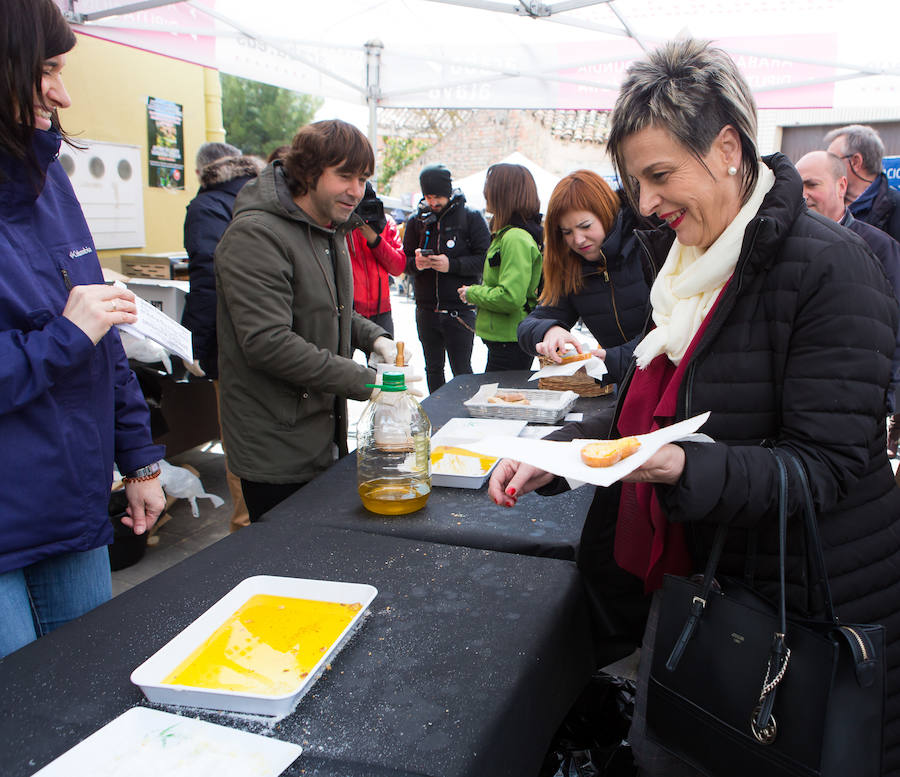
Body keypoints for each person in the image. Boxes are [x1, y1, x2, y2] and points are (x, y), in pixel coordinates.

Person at [489, 39, 900, 775]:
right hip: (704, 594)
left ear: (727, 149)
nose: (644, 204)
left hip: (800, 614)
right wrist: (570, 454)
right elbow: (657, 401)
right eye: (635, 181)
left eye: (658, 176)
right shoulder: (688, 267)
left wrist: (681, 467)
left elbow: (826, 470)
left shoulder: (830, 269)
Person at [0, 0, 165, 658]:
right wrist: (63, 338)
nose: (62, 93)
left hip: (70, 509)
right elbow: (78, 330)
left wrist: (141, 457)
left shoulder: (48, 179)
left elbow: (103, 327)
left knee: (90, 696)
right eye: (45, 69)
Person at [215, 119, 396, 522]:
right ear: (309, 172)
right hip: (276, 446)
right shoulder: (257, 235)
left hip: (319, 434)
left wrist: (373, 337)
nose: (356, 190)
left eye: (364, 178)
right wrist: (365, 381)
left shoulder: (328, 229)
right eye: (345, 176)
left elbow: (328, 310)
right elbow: (267, 342)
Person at [795, 149, 900, 454]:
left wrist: (887, 401)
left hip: (861, 416)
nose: (803, 195)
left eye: (812, 184)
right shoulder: (783, 246)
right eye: (796, 186)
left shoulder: (879, 248)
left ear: (841, 186)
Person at [181, 142, 262, 533]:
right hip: (278, 337)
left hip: (232, 345)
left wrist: (194, 344)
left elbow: (207, 280)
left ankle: (246, 533)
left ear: (202, 172)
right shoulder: (264, 194)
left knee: (239, 448)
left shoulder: (206, 206)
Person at [517, 170, 652, 383]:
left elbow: (671, 330)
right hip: (626, 386)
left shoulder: (648, 245)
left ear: (606, 213)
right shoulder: (572, 268)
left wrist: (615, 360)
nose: (578, 240)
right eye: (567, 232)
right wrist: (549, 330)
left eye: (585, 226)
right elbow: (530, 323)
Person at [402, 164, 491, 393]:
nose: (433, 202)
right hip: (426, 309)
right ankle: (436, 417)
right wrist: (417, 264)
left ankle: (464, 420)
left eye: (438, 196)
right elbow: (405, 261)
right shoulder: (416, 221)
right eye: (428, 197)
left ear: (449, 191)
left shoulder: (470, 217)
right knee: (433, 369)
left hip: (459, 310)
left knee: (462, 370)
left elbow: (484, 260)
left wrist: (452, 265)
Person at [457, 163, 543, 371]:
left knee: (499, 400)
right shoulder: (509, 235)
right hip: (505, 340)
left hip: (511, 342)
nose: (485, 192)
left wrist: (472, 293)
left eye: (489, 186)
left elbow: (510, 297)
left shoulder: (514, 238)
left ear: (503, 192)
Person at [346, 182, 406, 336]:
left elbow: (398, 267)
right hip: (348, 309)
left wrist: (374, 239)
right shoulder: (342, 224)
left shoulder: (386, 223)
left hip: (381, 311)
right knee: (341, 360)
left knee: (385, 359)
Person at [825, 124, 900, 244]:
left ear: (855, 161)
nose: (826, 167)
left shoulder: (895, 208)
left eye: (833, 160)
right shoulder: (824, 202)